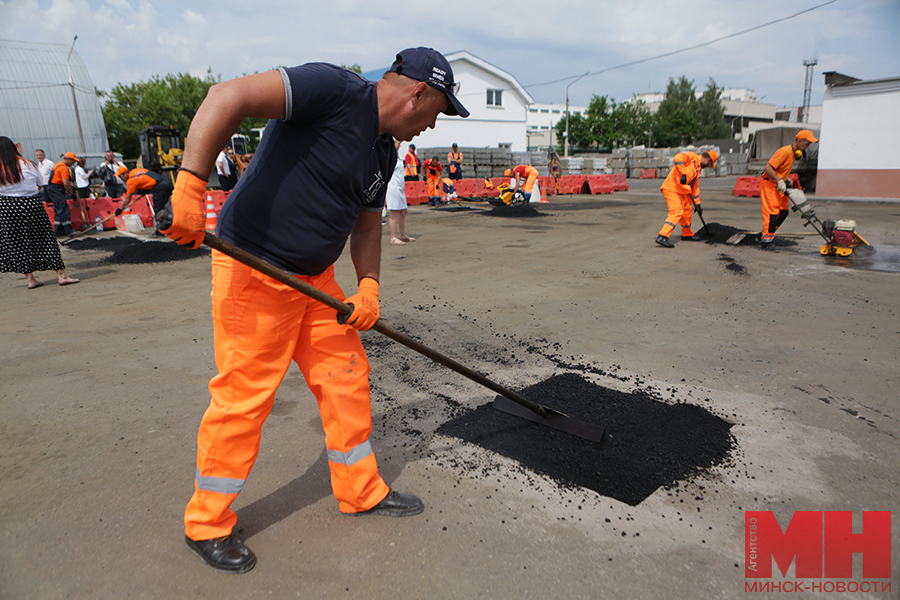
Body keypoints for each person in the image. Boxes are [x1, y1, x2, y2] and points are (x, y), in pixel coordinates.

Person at [159, 46, 468, 573]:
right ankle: (206, 522)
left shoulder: (384, 153)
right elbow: (225, 96)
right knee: (245, 397)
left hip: (315, 281)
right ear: (417, 92)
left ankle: (359, 489)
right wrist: (191, 183)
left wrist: (367, 287)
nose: (432, 127)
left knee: (346, 378)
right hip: (255, 269)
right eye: (437, 112)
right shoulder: (331, 91)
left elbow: (367, 226)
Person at [0, 137, 79, 288]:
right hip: (32, 204)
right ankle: (61, 275)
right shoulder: (28, 163)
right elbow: (40, 184)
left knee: (18, 242)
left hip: (7, 207)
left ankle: (31, 279)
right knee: (45, 238)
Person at [759, 130, 817, 249]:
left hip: (779, 184)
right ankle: (766, 241)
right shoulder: (784, 152)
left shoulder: (793, 153)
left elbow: (781, 170)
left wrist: (785, 180)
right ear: (799, 141)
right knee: (772, 212)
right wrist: (779, 180)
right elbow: (768, 168)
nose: (808, 147)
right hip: (770, 184)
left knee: (783, 212)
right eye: (807, 144)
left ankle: (766, 233)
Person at [655, 149, 718, 247]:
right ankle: (663, 236)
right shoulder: (692, 157)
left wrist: (697, 204)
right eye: (710, 164)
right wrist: (683, 173)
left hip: (682, 191)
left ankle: (687, 234)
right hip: (672, 188)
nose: (709, 166)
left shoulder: (698, 169)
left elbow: (695, 188)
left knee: (687, 210)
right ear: (708, 160)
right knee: (676, 211)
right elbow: (678, 158)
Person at [116, 166, 174, 232]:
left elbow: (127, 199)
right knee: (169, 207)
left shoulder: (130, 181)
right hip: (166, 183)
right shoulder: (136, 171)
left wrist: (120, 209)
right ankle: (172, 227)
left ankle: (159, 231)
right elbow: (148, 178)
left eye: (120, 176)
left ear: (125, 174)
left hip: (160, 188)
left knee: (158, 210)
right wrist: (145, 189)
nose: (121, 179)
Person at [387, 138, 414, 245]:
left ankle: (403, 234)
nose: (399, 146)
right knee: (394, 213)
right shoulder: (389, 157)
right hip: (393, 188)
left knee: (403, 211)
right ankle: (393, 237)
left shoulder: (398, 157)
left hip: (400, 188)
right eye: (398, 143)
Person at [46, 152, 78, 235]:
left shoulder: (57, 165)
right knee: (63, 209)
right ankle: (69, 230)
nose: (73, 163)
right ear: (67, 159)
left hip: (52, 188)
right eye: (73, 161)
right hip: (57, 190)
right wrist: (72, 193)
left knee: (58, 210)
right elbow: (66, 183)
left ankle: (58, 230)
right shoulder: (64, 168)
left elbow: (59, 179)